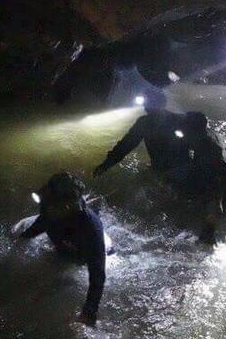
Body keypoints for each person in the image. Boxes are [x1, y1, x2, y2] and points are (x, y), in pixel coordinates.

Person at [20, 172, 106, 327]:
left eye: (52, 204)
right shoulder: (49, 207)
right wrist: (23, 238)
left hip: (80, 256)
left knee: (53, 290)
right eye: (47, 201)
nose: (47, 207)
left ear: (67, 205)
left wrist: (89, 312)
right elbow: (40, 223)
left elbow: (98, 274)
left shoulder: (90, 228)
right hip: (63, 245)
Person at [181, 112, 226, 243]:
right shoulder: (209, 134)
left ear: (194, 132)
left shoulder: (210, 156)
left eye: (185, 131)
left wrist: (207, 234)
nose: (183, 134)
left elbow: (216, 199)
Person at [93, 88, 189, 177]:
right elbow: (126, 145)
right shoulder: (145, 123)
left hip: (178, 169)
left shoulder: (178, 120)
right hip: (165, 168)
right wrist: (106, 164)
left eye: (148, 102)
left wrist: (106, 165)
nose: (145, 106)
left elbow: (126, 145)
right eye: (146, 102)